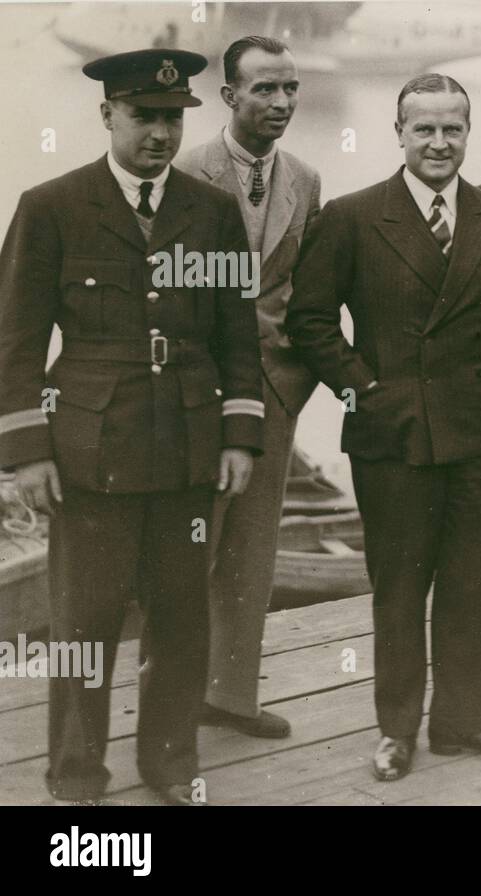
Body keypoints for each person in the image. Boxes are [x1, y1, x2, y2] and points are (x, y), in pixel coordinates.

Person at [0, 49, 264, 805]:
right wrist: (27, 453)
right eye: (144, 116)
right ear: (107, 113)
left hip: (185, 449)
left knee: (181, 619)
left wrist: (240, 434)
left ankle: (171, 764)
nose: (159, 134)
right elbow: (15, 344)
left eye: (173, 119)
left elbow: (235, 334)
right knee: (84, 622)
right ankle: (77, 775)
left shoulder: (211, 212)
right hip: (89, 452)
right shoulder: (51, 205)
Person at [286, 73, 481, 782]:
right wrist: (364, 388)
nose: (438, 142)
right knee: (399, 587)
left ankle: (465, 721)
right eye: (423, 128)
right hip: (391, 437)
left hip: (476, 436)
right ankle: (397, 731)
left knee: (475, 581)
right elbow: (310, 319)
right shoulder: (354, 216)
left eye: (451, 128)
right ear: (398, 133)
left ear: (468, 134)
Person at [175, 35, 321, 740]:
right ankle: (173, 701)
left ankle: (231, 697)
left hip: (274, 394)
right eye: (265, 89)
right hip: (199, 394)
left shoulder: (306, 180)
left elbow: (307, 291)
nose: (282, 103)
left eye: (290, 88)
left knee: (254, 549)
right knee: (189, 547)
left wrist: (296, 378)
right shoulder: (183, 171)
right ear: (228, 96)